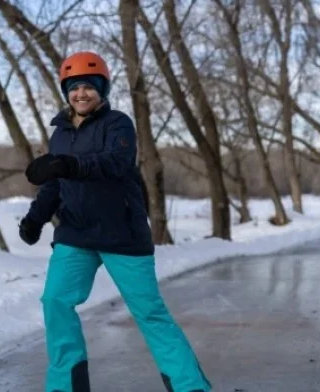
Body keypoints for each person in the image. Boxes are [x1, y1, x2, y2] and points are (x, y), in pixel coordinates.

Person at [18, 51, 212, 392]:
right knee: (55, 302)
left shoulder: (118, 124)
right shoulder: (60, 133)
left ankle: (190, 386)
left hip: (121, 234)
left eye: (89, 87)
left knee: (149, 314)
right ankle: (65, 387)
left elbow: (115, 163)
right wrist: (34, 218)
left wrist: (66, 164)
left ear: (102, 90)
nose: (81, 94)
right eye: (74, 87)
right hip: (75, 235)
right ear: (65, 91)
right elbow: (54, 183)